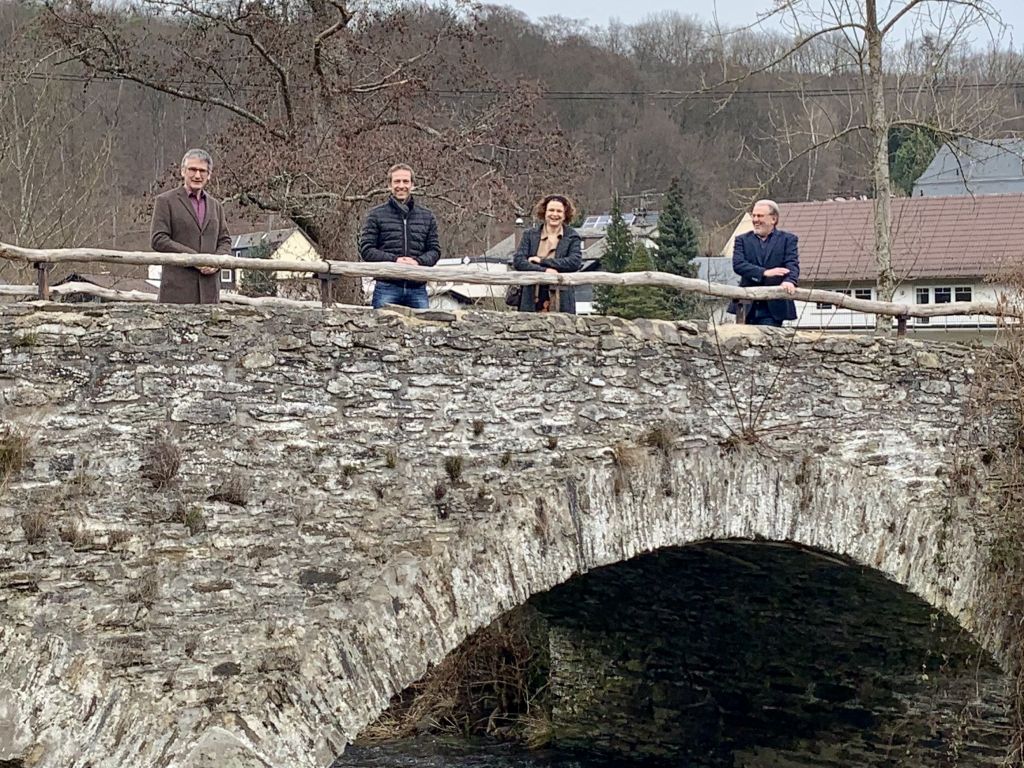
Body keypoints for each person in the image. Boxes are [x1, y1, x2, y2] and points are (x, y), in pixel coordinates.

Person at [150, 148, 232, 304]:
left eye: (202, 171)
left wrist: (216, 261)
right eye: (192, 169)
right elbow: (158, 239)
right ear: (183, 172)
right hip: (177, 292)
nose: (197, 175)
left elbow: (225, 240)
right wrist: (194, 259)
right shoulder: (165, 201)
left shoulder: (216, 206)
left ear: (209, 175)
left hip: (210, 294)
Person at [359, 163, 441, 309]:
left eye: (405, 181)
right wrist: (395, 260)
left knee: (423, 330)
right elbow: (366, 249)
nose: (401, 186)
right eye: (397, 181)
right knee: (382, 330)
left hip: (417, 288)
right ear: (389, 185)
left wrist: (417, 262)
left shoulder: (427, 217)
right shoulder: (376, 215)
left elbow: (435, 251)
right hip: (386, 286)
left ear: (412, 185)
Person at [728, 199, 800, 327]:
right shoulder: (742, 240)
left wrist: (790, 281)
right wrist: (764, 273)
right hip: (746, 305)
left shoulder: (788, 240)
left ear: (773, 219)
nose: (755, 219)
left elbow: (792, 265)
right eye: (754, 215)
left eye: (760, 216)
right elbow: (738, 265)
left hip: (773, 307)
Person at [512, 194, 582, 313]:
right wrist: (544, 271)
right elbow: (518, 261)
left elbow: (574, 262)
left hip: (562, 296)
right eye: (551, 210)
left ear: (565, 214)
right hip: (531, 296)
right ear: (544, 212)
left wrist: (542, 261)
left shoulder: (572, 236)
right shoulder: (529, 235)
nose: (554, 214)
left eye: (559, 211)